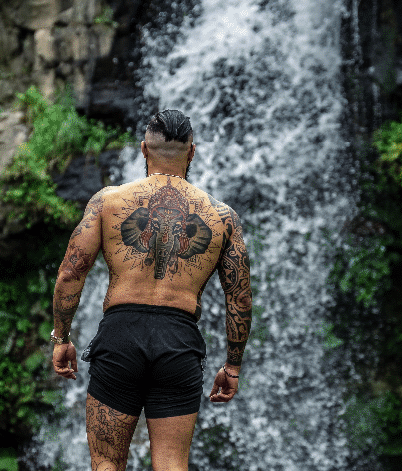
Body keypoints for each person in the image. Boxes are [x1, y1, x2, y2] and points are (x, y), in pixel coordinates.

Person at [50, 109, 253, 471]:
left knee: (107, 462)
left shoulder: (107, 202)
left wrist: (61, 337)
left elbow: (70, 273)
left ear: (143, 150)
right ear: (193, 152)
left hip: (120, 336)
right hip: (179, 341)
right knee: (172, 463)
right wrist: (233, 366)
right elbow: (238, 297)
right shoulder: (222, 216)